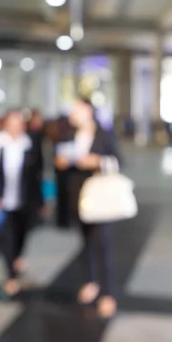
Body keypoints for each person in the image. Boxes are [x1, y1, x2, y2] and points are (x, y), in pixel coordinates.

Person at [55, 97, 120, 318]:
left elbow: (118, 161)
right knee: (84, 243)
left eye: (77, 108)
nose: (74, 113)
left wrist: (97, 162)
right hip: (77, 195)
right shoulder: (68, 134)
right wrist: (62, 162)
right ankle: (90, 281)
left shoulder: (104, 134)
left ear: (88, 110)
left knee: (102, 243)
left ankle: (108, 293)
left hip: (100, 196)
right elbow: (59, 161)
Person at [0, 110, 43, 296]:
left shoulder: (29, 143)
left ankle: (17, 258)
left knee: (21, 233)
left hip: (24, 199)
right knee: (7, 237)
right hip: (3, 200)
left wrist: (40, 200)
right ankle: (10, 275)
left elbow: (37, 174)